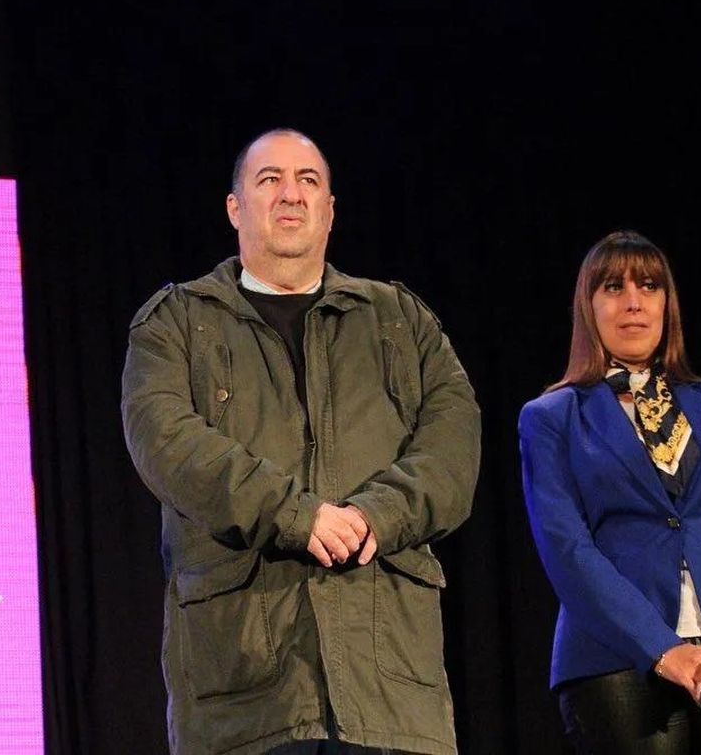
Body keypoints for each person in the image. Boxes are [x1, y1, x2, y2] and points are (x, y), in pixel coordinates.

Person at [120, 129, 480, 754]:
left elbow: (453, 448)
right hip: (247, 694)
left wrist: (376, 516)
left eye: (308, 181)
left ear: (331, 208)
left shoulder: (401, 319)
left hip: (390, 686)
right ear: (235, 207)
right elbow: (167, 441)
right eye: (270, 180)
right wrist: (295, 515)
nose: (291, 195)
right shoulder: (176, 323)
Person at [519, 231, 701, 753]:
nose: (632, 301)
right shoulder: (550, 418)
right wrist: (662, 649)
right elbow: (566, 549)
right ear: (588, 306)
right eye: (612, 287)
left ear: (667, 303)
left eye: (648, 286)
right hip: (613, 663)